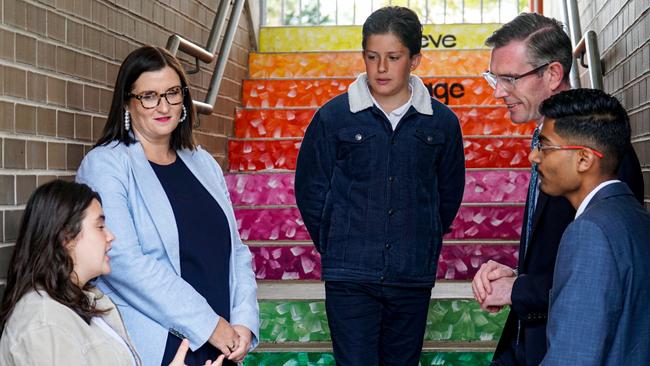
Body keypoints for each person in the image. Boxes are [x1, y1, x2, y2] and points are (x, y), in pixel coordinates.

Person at [295, 6, 465, 365]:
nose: (381, 68)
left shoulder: (442, 123)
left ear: (415, 59)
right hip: (350, 275)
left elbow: (448, 195)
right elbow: (310, 189)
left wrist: (423, 237)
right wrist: (334, 240)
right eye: (372, 57)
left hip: (412, 275)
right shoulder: (333, 117)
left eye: (393, 57)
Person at [471, 13, 644, 366]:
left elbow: (602, 274)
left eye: (509, 79)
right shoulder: (549, 143)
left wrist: (518, 289)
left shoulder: (602, 154)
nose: (497, 91)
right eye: (494, 77)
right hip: (529, 338)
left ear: (551, 74)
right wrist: (517, 278)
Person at [76, 46, 259, 366]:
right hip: (161, 344)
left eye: (172, 93)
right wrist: (208, 325)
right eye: (148, 95)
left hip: (224, 343)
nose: (163, 105)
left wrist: (243, 322)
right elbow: (123, 262)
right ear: (127, 103)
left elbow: (236, 250)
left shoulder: (203, 163)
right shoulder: (106, 164)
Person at [0, 180, 225, 366]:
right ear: (65, 237)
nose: (110, 236)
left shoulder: (78, 303)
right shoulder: (44, 324)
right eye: (100, 227)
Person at [530, 89, 650, 365]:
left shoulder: (590, 233)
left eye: (545, 146)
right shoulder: (634, 217)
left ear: (584, 159)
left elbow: (573, 355)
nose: (534, 157)